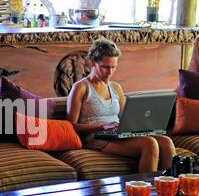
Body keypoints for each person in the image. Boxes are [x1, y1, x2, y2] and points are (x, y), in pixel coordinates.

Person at [66, 38, 176, 173]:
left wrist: (144, 125)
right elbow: (70, 125)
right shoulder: (81, 88)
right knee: (150, 144)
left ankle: (170, 188)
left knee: (166, 142)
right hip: (95, 138)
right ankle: (146, 191)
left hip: (116, 134)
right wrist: (101, 126)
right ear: (92, 62)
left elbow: (126, 118)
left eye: (113, 67)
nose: (110, 72)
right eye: (105, 67)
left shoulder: (116, 87)